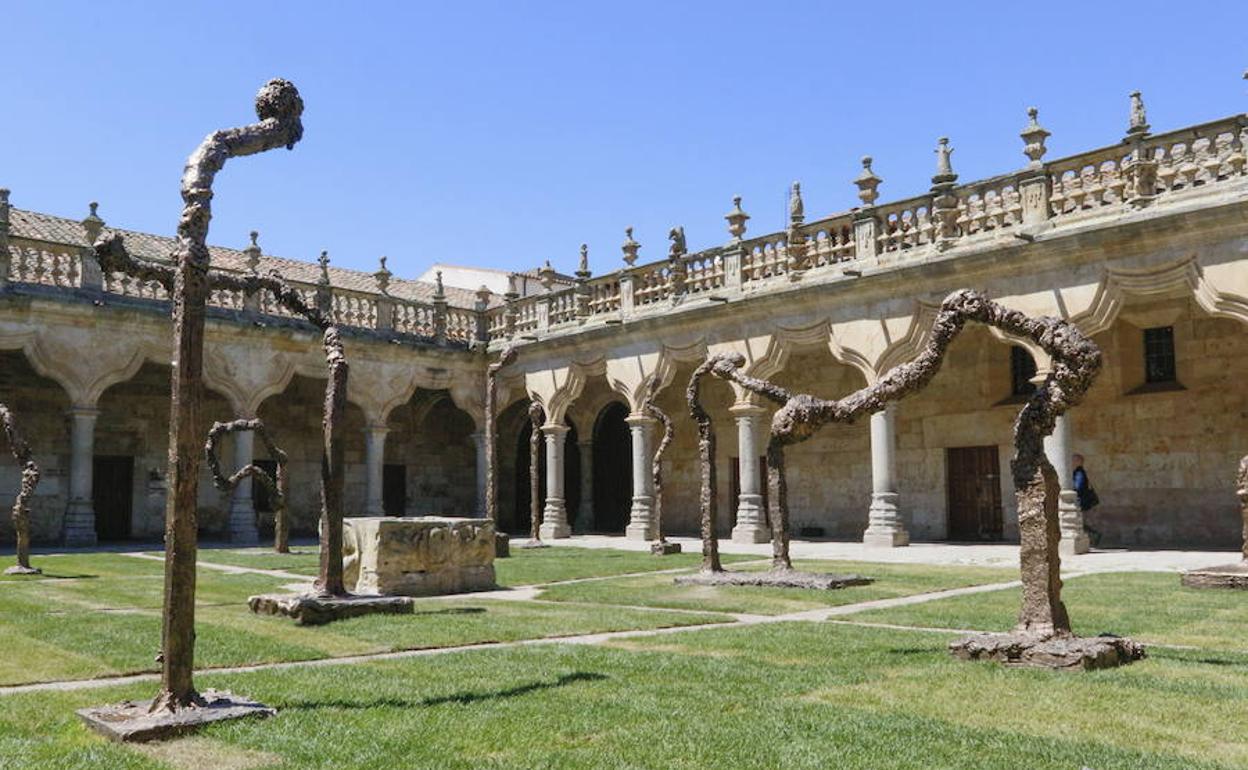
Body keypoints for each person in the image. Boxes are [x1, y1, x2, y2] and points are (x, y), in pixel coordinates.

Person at [1072, 453, 1101, 547]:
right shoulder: (1079, 472)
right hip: (1081, 501)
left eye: (1074, 460)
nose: (1072, 462)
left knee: (1076, 522)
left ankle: (1094, 534)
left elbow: (1078, 487)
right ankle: (1094, 534)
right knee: (1078, 522)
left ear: (1078, 462)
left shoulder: (1079, 472)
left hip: (1080, 501)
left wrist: (1071, 489)